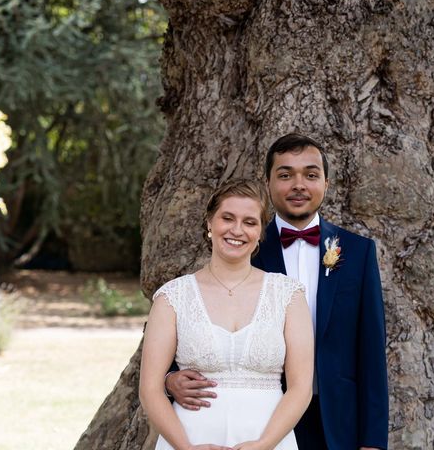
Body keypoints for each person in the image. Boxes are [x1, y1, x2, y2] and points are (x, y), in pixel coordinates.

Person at [166, 134, 389, 450]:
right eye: (285, 175)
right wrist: (169, 379)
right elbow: (193, 314)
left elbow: (371, 348)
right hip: (262, 416)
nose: (299, 184)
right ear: (268, 184)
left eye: (311, 175)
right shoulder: (243, 244)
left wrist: (373, 440)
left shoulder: (356, 252)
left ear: (326, 183)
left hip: (339, 419)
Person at [140, 179, 315, 450]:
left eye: (249, 222)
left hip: (268, 440)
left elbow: (300, 388)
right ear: (210, 223)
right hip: (189, 439)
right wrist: (186, 448)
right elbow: (150, 389)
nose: (237, 230)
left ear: (260, 232)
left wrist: (263, 444)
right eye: (227, 218)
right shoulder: (172, 297)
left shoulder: (288, 295)